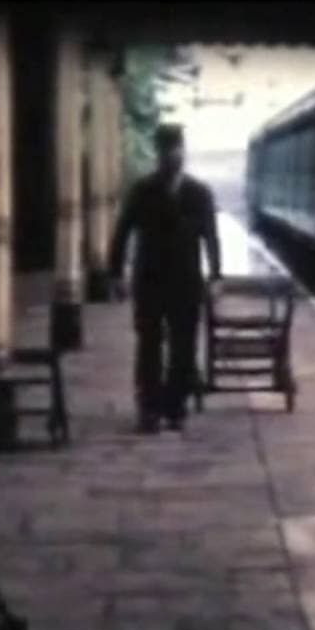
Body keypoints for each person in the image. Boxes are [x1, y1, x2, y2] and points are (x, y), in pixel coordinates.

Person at [109, 125, 221, 433]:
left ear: (183, 152)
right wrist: (116, 273)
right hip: (150, 279)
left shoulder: (200, 193)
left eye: (177, 148)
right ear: (158, 154)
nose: (173, 155)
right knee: (149, 344)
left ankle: (176, 406)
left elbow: (211, 236)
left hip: (186, 281)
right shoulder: (142, 190)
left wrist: (216, 274)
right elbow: (122, 232)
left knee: (183, 346)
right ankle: (149, 407)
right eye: (167, 149)